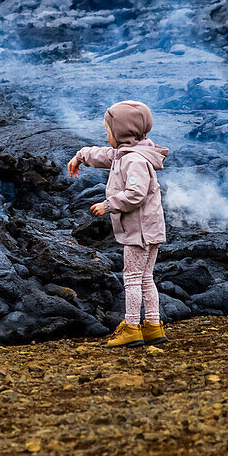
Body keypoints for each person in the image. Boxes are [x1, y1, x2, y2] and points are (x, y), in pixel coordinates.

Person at [67, 100, 169, 348]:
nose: (107, 136)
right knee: (146, 277)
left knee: (133, 278)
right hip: (148, 229)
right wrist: (80, 156)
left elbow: (136, 194)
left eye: (108, 131)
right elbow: (105, 155)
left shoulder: (134, 160)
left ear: (122, 133)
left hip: (139, 232)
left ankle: (132, 327)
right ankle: (154, 326)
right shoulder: (128, 153)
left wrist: (108, 204)